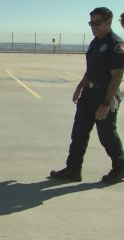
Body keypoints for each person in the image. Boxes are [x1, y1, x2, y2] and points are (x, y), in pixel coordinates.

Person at [50, 7, 124, 184]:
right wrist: (79, 87)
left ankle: (120, 169)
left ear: (108, 21)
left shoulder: (116, 44)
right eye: (91, 23)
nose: (93, 26)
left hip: (105, 95)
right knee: (79, 133)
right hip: (89, 94)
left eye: (97, 23)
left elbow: (117, 76)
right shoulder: (95, 43)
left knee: (107, 135)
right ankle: (73, 169)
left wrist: (106, 103)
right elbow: (91, 70)